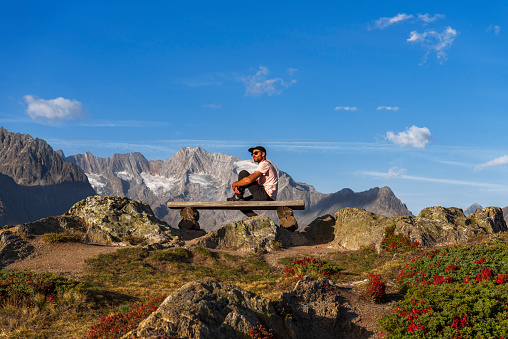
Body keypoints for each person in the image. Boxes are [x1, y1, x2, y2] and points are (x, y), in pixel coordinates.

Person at [229, 146, 278, 217]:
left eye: (256, 153)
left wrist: (235, 184)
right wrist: (241, 184)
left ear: (263, 154)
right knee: (240, 204)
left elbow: (249, 180)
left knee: (243, 173)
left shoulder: (264, 164)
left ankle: (238, 196)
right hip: (266, 196)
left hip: (265, 195)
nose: (253, 155)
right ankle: (258, 219)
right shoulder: (265, 165)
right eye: (252, 154)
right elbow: (254, 181)